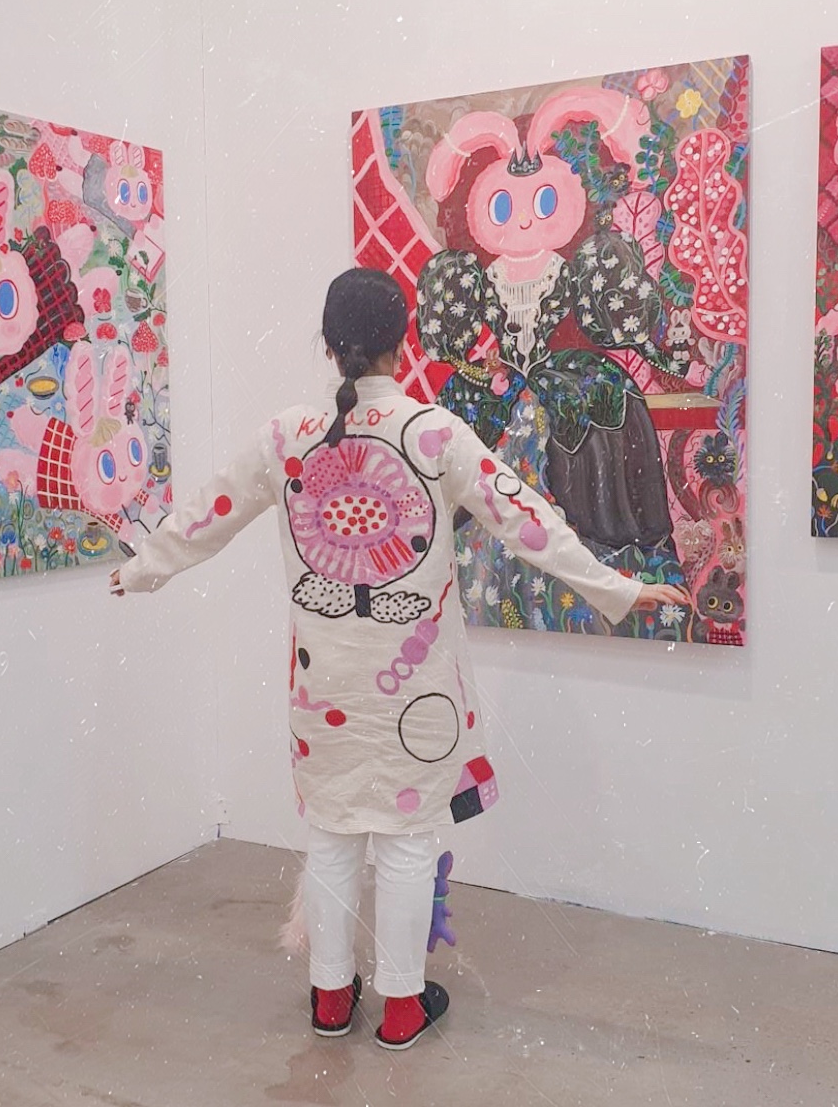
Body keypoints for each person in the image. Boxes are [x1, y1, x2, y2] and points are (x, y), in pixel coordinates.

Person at [109, 267, 688, 1050]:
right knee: (409, 840)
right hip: (419, 692)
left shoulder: (286, 436)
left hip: (323, 687)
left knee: (332, 835)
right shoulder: (434, 434)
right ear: (402, 340)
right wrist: (617, 587)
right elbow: (526, 518)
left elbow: (208, 513)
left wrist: (141, 570)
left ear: (328, 344)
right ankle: (403, 1007)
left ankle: (329, 998)